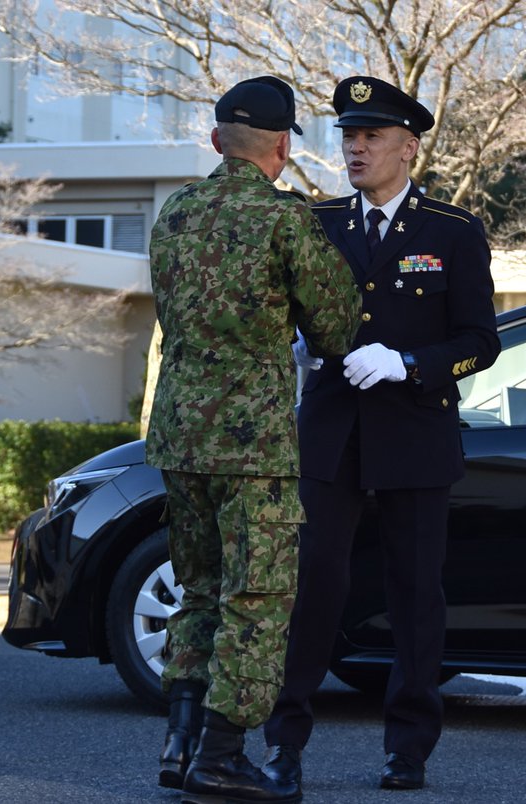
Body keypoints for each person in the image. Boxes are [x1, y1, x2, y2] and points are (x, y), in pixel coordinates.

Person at [262, 75, 501, 793]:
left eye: (371, 138)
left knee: (414, 598)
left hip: (415, 434)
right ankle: (284, 744)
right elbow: (289, 312)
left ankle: (408, 748)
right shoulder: (317, 220)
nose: (356, 149)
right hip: (331, 433)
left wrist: (408, 363)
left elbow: (480, 341)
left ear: (408, 148)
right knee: (311, 591)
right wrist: (302, 345)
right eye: (348, 136)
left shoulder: (452, 232)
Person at [146, 75, 361, 804]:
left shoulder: (174, 214)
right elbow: (335, 325)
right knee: (258, 596)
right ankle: (223, 754)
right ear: (280, 147)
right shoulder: (284, 219)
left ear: (215, 141)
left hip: (179, 437)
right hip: (253, 444)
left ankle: (178, 743)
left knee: (197, 590)